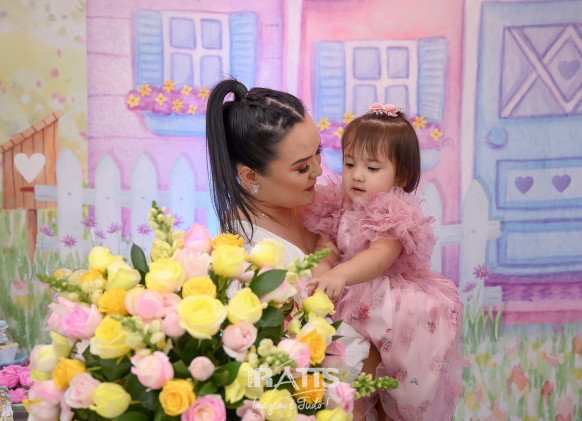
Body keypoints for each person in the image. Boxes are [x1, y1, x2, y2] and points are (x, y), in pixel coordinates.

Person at [302, 103, 464, 420]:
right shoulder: (338, 206)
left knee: (394, 383)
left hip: (387, 299)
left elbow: (378, 257)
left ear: (399, 175)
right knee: (358, 382)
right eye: (350, 163)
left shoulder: (393, 212)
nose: (357, 175)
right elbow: (327, 245)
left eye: (372, 168)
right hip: (351, 290)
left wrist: (340, 275)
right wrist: (322, 269)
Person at [205, 78, 371, 383]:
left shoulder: (314, 201)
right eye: (302, 167)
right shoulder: (250, 257)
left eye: (318, 151)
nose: (318, 170)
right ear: (250, 176)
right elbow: (299, 375)